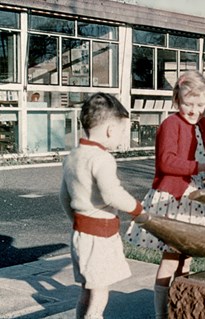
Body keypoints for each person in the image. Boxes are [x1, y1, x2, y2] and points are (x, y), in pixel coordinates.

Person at [126, 71, 205, 318]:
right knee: (171, 257)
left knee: (187, 258)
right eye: (187, 104)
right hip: (176, 198)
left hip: (197, 196)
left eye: (200, 105)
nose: (193, 110)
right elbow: (166, 163)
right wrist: (200, 168)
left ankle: (180, 308)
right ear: (176, 100)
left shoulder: (204, 124)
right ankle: (161, 313)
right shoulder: (170, 125)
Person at [59, 93, 145, 319]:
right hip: (100, 237)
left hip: (81, 235)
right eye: (121, 132)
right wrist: (137, 209)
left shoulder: (73, 156)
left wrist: (77, 222)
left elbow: (64, 196)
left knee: (86, 290)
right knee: (100, 294)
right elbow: (111, 193)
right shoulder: (102, 158)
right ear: (109, 130)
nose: (120, 138)